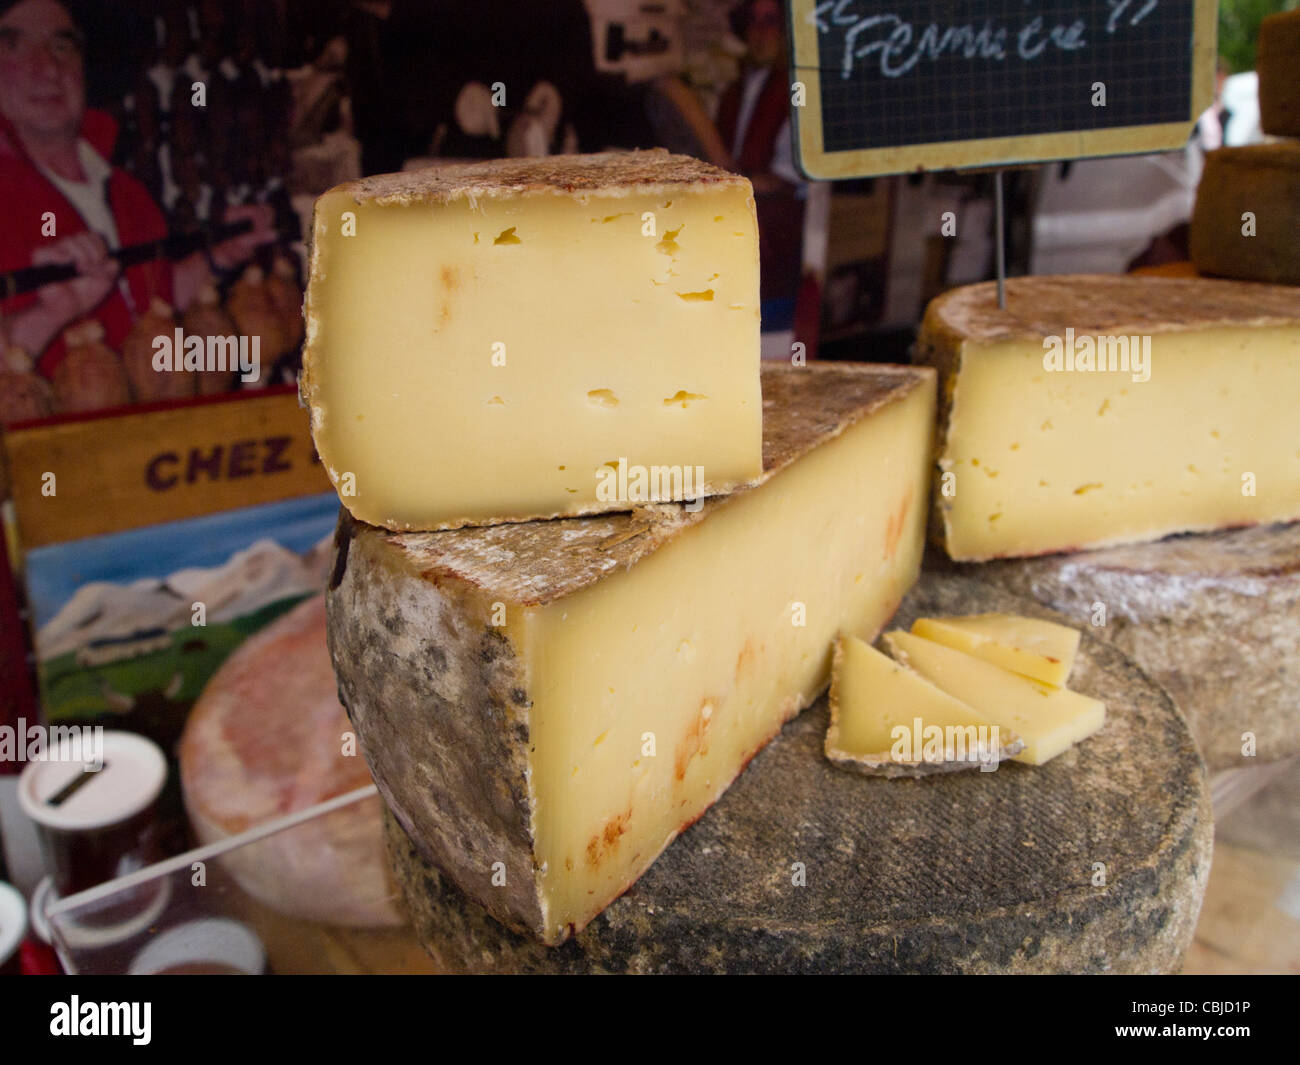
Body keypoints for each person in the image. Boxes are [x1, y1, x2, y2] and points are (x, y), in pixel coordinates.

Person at [0, 0, 273, 380]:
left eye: (61, 46)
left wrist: (218, 256)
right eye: (13, 46)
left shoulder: (127, 190)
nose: (47, 68)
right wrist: (52, 313)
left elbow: (151, 300)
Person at [717, 0, 804, 312]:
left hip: (774, 237)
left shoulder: (796, 91)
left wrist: (725, 187)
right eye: (753, 23)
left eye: (770, 22)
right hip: (730, 231)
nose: (759, 33)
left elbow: (782, 178)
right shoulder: (734, 90)